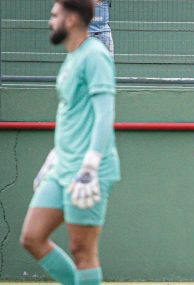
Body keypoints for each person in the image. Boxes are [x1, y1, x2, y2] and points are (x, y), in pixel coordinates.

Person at [20, 1, 119, 285]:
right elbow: (72, 115)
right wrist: (53, 157)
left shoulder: (95, 56)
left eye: (55, 15)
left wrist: (90, 166)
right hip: (62, 164)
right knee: (32, 237)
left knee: (82, 251)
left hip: (88, 168)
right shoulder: (72, 57)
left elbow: (104, 115)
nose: (50, 21)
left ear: (72, 19)